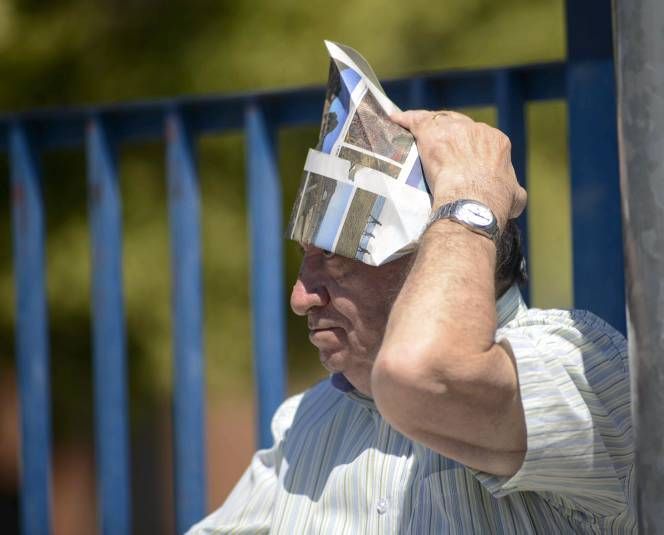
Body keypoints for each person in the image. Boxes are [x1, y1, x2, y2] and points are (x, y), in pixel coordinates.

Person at [188, 110, 637, 534]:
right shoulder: (304, 419)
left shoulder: (574, 362)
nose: (300, 297)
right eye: (305, 259)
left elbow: (423, 375)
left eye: (336, 257)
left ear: (438, 252)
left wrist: (470, 196)